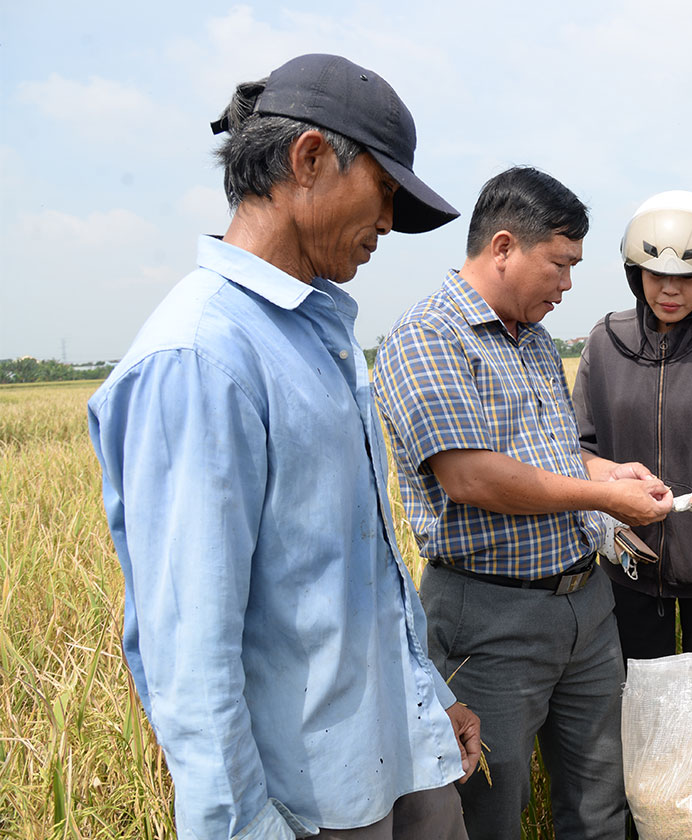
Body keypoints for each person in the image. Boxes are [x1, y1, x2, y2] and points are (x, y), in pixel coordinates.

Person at [87, 54, 479, 839]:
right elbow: (189, 655)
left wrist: (430, 700)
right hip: (306, 808)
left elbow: (356, 568)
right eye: (386, 194)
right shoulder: (203, 358)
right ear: (308, 161)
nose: (388, 225)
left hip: (396, 756)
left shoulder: (317, 334)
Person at [372, 166, 673, 840]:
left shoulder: (533, 340)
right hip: (490, 620)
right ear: (504, 247)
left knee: (600, 798)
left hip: (586, 607)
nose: (568, 284)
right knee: (490, 810)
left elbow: (547, 454)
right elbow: (472, 476)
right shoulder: (428, 338)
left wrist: (605, 470)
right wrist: (605, 498)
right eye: (560, 264)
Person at [572, 190, 692, 659]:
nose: (669, 290)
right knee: (638, 701)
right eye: (656, 275)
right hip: (629, 562)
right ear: (634, 273)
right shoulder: (605, 343)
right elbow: (579, 441)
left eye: (687, 278)